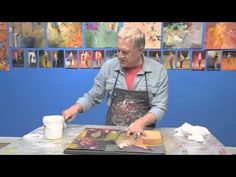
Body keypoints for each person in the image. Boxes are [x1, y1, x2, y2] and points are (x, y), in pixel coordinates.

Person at [62, 26, 168, 138]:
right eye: (118, 50)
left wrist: (140, 123)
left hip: (143, 134)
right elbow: (93, 96)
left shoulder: (158, 71)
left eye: (125, 52)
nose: (120, 56)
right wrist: (75, 108)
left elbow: (160, 106)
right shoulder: (109, 67)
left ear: (140, 50)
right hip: (113, 134)